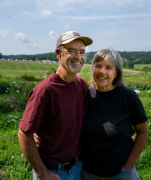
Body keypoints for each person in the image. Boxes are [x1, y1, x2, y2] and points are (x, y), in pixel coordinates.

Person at [18, 31, 93, 180]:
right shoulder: (45, 91)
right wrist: (43, 174)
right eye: (71, 51)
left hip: (77, 167)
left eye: (82, 52)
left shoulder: (82, 86)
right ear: (58, 54)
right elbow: (24, 133)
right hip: (53, 172)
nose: (78, 56)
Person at [80, 48, 148, 180]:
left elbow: (143, 132)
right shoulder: (86, 97)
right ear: (93, 69)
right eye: (98, 66)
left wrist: (128, 166)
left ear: (116, 73)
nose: (102, 71)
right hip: (88, 173)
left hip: (120, 173)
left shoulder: (128, 97)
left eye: (109, 68)